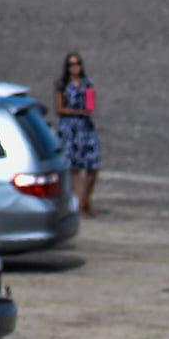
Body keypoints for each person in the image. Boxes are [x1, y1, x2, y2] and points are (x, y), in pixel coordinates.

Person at [54, 52, 100, 217]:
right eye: (71, 64)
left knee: (93, 166)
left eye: (77, 64)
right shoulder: (62, 85)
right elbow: (59, 109)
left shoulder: (87, 84)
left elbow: (90, 104)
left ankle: (87, 198)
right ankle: (79, 203)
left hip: (85, 127)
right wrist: (76, 111)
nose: (75, 67)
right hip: (70, 127)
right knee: (74, 167)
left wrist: (87, 104)